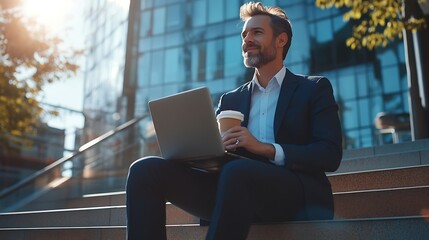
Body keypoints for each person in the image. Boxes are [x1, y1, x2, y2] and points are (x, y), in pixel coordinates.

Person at [126, 2, 342, 240]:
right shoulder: (230, 99)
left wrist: (265, 149)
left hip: (295, 193)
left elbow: (329, 154)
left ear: (281, 40)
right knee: (144, 170)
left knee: (239, 171)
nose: (247, 39)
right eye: (244, 34)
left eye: (257, 32)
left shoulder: (313, 88)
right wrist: (202, 151)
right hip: (233, 189)